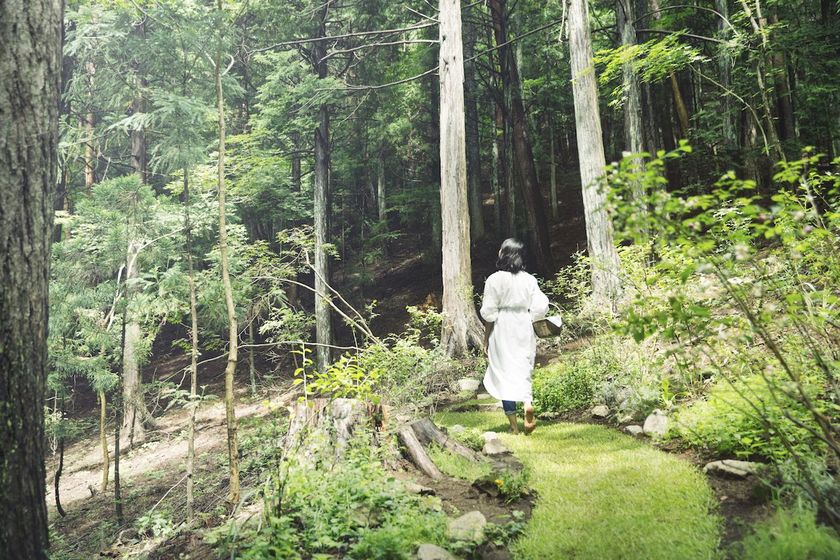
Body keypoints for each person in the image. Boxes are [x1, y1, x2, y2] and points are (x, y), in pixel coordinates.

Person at [480, 238, 549, 434]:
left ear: (503, 254)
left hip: (503, 326)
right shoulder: (529, 279)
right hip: (523, 325)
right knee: (523, 368)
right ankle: (527, 403)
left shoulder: (494, 279)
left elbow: (489, 313)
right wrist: (530, 319)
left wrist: (486, 339)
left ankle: (514, 427)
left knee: (503, 373)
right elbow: (540, 306)